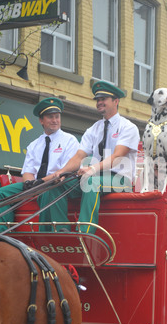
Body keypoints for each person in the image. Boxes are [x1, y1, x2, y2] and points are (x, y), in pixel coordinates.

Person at [39, 80, 140, 233]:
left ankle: (84, 232)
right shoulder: (94, 129)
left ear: (116, 101)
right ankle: (60, 232)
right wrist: (61, 173)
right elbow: (79, 156)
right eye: (98, 100)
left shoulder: (128, 127)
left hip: (120, 180)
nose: (99, 102)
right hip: (95, 176)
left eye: (103, 99)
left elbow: (117, 157)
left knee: (91, 181)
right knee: (57, 184)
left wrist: (92, 169)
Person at [0, 97, 79, 232]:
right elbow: (28, 171)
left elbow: (64, 171)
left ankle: (49, 232)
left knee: (49, 189)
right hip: (36, 184)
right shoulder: (34, 145)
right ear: (41, 120)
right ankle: (1, 233)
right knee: (2, 192)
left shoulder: (70, 140)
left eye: (57, 117)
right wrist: (28, 183)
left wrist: (39, 183)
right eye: (50, 117)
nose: (55, 120)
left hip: (57, 183)